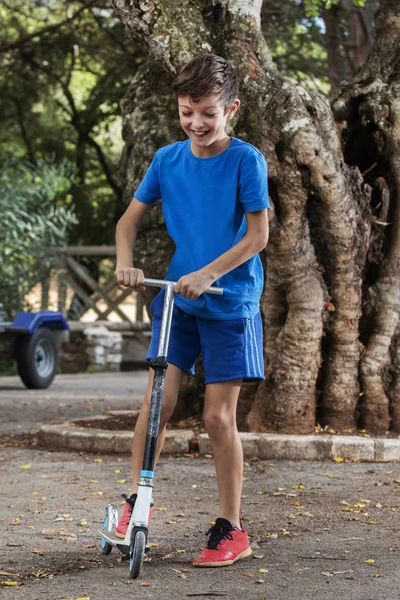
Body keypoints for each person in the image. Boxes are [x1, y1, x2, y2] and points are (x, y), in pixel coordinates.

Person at [114, 54, 269, 567]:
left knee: (217, 418)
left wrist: (210, 274)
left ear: (231, 109)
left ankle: (231, 527)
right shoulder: (167, 160)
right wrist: (127, 264)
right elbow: (127, 223)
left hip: (231, 302)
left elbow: (258, 235)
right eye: (186, 112)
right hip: (178, 303)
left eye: (207, 112)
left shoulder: (246, 160)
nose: (196, 124)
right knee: (158, 401)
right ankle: (136, 504)